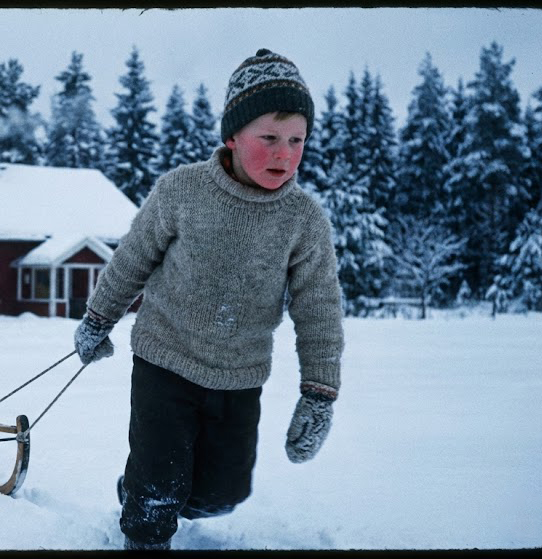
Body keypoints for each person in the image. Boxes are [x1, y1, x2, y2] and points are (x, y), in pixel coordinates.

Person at [73, 48, 344, 551]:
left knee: (222, 494)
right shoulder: (182, 191)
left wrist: (319, 392)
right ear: (232, 136)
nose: (284, 153)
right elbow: (133, 258)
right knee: (158, 487)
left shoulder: (304, 220)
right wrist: (98, 319)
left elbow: (319, 309)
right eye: (269, 138)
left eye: (296, 140)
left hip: (239, 375)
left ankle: (144, 493)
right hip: (164, 359)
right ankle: (145, 521)